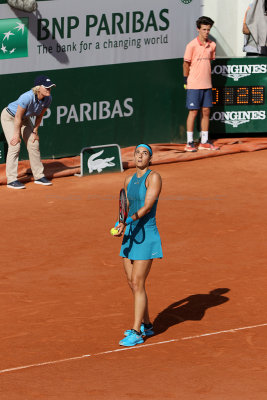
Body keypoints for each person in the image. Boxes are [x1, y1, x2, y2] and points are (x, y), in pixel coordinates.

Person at [113, 144, 163, 347]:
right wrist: (120, 224)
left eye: (145, 154)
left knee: (138, 282)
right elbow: (126, 209)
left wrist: (128, 221)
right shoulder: (128, 179)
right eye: (137, 153)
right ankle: (147, 324)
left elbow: (147, 206)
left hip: (147, 235)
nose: (140, 156)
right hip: (130, 235)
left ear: (150, 159)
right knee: (131, 282)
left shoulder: (154, 178)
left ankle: (136, 331)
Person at [1, 75, 56, 189]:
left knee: (33, 142)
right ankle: (11, 180)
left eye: (50, 87)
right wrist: (16, 134)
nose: (49, 89)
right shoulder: (26, 97)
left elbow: (39, 116)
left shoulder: (48, 98)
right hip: (10, 117)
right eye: (46, 87)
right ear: (38, 88)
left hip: (25, 119)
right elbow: (17, 117)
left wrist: (35, 131)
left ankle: (39, 176)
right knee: (15, 145)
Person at [183, 16, 219, 152]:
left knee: (206, 111)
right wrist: (186, 81)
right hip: (193, 84)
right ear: (198, 29)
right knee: (193, 112)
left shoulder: (212, 45)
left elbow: (210, 61)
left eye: (208, 30)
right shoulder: (191, 45)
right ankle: (189, 142)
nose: (206, 32)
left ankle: (204, 141)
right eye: (204, 29)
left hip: (207, 85)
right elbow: (185, 64)